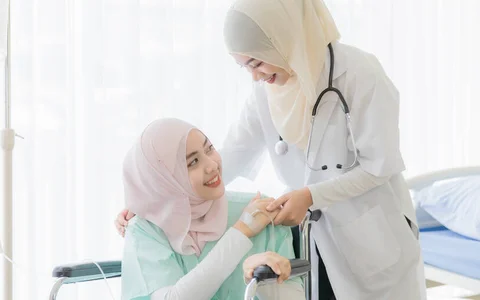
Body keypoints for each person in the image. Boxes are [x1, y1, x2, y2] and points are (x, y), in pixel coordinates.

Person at [117, 0, 426, 299]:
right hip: (316, 243)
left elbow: (378, 167)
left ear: (283, 39)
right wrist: (157, 200)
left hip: (373, 236)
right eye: (244, 66)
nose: (255, 75)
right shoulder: (266, 91)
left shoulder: (360, 74)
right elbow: (228, 156)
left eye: (257, 61)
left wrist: (310, 195)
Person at [120, 118, 304, 300]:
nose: (212, 165)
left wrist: (261, 279)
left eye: (209, 148)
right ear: (165, 181)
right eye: (192, 162)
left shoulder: (261, 211)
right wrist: (241, 233)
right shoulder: (145, 230)